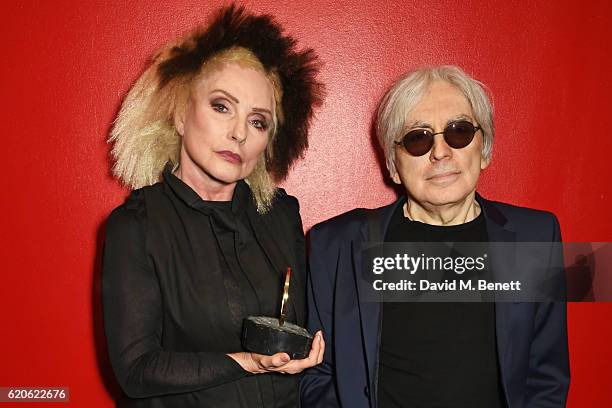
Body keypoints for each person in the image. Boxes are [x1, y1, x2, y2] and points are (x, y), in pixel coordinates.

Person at [301, 66, 569, 408]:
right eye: (418, 137)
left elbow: (546, 377)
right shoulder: (335, 244)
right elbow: (316, 375)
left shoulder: (537, 238)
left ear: (483, 147)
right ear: (393, 164)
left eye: (459, 132)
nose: (440, 153)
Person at [102, 5, 325, 407]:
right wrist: (245, 362)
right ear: (181, 114)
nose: (239, 132)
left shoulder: (280, 215)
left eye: (258, 122)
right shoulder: (136, 226)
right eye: (222, 106)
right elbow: (136, 371)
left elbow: (294, 331)